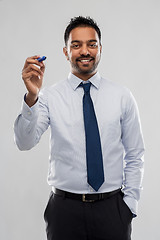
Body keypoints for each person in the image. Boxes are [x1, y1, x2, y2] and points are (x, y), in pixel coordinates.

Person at [14, 16, 145, 240]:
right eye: (76, 45)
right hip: (65, 211)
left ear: (100, 49)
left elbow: (135, 154)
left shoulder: (122, 96)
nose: (85, 51)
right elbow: (24, 143)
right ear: (66, 52)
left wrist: (128, 206)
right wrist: (32, 97)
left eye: (91, 44)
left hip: (112, 210)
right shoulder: (48, 97)